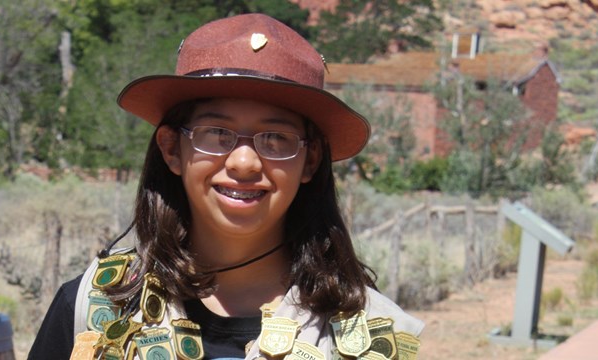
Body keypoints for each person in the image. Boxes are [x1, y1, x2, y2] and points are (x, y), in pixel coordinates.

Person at [29, 13, 424, 360]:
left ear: (311, 160)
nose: (244, 162)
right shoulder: (93, 307)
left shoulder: (373, 335)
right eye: (216, 133)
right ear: (172, 149)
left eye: (276, 138)